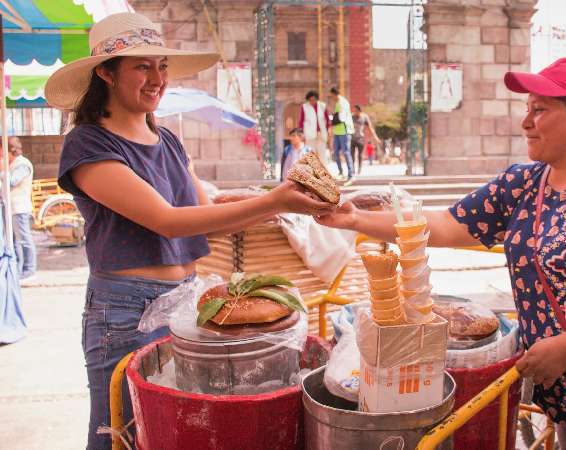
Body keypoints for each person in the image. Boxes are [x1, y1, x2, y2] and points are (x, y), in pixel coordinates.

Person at [318, 57, 566, 450]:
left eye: (540, 109)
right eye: (527, 109)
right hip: (561, 393)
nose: (526, 121)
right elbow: (446, 224)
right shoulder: (525, 183)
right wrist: (355, 219)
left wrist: (563, 348)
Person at [43, 13, 334, 450]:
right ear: (105, 73)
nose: (157, 78)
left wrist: (283, 200)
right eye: (141, 66)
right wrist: (275, 201)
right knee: (119, 431)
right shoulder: (88, 144)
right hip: (124, 311)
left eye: (161, 66)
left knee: (178, 430)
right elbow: (165, 219)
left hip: (187, 303)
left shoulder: (169, 142)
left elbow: (204, 210)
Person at [3, 136, 37, 282]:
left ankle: (29, 270)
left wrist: (2, 171)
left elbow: (11, 182)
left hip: (20, 208)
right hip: (12, 208)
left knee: (24, 240)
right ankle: (18, 270)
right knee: (14, 241)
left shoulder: (22, 164)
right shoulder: (13, 164)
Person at [327, 87, 355, 182]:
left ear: (335, 94)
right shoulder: (338, 103)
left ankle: (351, 174)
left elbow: (342, 118)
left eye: (331, 96)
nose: (331, 98)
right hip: (337, 132)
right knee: (335, 152)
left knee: (346, 153)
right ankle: (341, 172)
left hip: (344, 131)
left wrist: (333, 118)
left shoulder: (343, 102)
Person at [298, 90, 331, 164]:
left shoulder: (322, 106)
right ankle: (312, 172)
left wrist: (329, 129)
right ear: (308, 100)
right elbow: (301, 121)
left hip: (321, 133)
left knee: (322, 154)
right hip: (309, 134)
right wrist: (301, 133)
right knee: (311, 154)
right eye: (310, 100)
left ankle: (323, 172)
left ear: (317, 99)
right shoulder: (304, 107)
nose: (312, 101)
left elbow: (327, 119)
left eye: (314, 100)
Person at [351, 105, 378, 175]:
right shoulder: (351, 117)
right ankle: (352, 169)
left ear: (360, 111)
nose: (355, 112)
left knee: (360, 155)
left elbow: (370, 127)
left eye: (356, 111)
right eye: (354, 111)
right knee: (352, 155)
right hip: (352, 138)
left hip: (360, 139)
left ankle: (359, 168)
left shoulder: (364, 117)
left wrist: (375, 137)